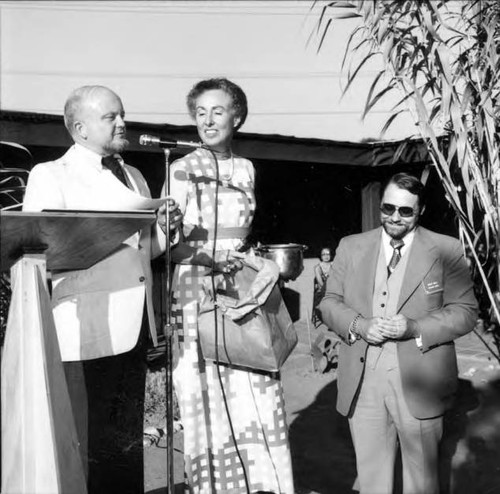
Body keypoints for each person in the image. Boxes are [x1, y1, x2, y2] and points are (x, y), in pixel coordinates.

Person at [22, 85, 181, 494]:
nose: (122, 122)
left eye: (122, 113)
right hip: (84, 329)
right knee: (84, 442)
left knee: (125, 441)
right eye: (111, 116)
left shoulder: (135, 175)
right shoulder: (51, 175)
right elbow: (38, 252)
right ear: (80, 127)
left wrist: (166, 230)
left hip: (134, 324)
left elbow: (144, 252)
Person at [167, 78, 295, 493]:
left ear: (236, 116)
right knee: (201, 390)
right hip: (194, 287)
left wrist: (253, 261)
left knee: (251, 375)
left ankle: (258, 485)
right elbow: (167, 245)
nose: (207, 120)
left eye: (217, 111)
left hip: (237, 284)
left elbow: (241, 236)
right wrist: (209, 259)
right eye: (200, 112)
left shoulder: (246, 168)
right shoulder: (182, 167)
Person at [319, 172, 478, 494]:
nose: (394, 217)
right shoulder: (351, 247)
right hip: (363, 381)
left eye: (405, 211)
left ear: (421, 211)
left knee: (421, 482)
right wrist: (360, 325)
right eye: (387, 208)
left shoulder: (445, 249)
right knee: (372, 478)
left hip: (420, 379)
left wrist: (416, 328)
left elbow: (466, 311)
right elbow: (329, 303)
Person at [313, 246, 333, 321]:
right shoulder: (317, 268)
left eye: (328, 254)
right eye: (323, 254)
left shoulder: (333, 265)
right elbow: (320, 283)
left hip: (333, 288)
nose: (326, 256)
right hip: (322, 290)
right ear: (320, 256)